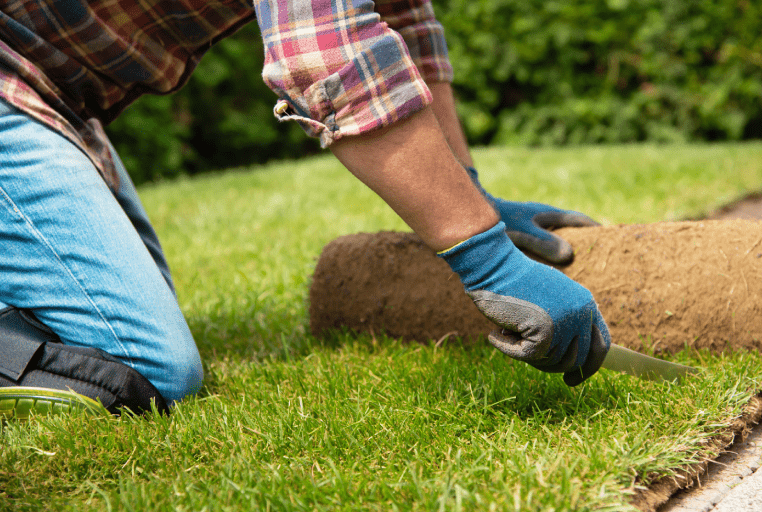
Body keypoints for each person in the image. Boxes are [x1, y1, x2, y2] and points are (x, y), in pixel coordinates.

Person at [0, 0, 610, 418]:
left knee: (87, 329)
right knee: (142, 365)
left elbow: (402, 20)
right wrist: (488, 261)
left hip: (53, 98)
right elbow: (326, 54)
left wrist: (473, 195)